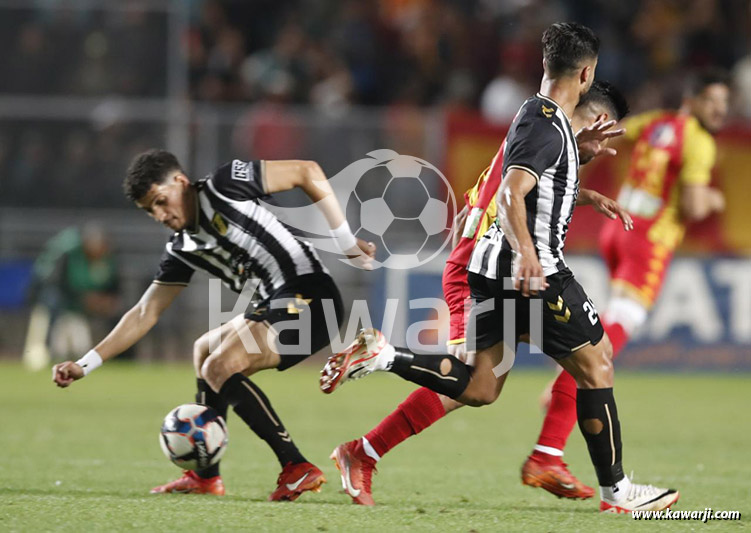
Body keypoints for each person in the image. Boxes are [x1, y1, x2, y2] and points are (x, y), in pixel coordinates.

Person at [320, 22, 679, 514]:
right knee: (594, 361)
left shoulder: (539, 121)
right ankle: (603, 484)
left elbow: (533, 186)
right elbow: (512, 192)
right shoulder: (547, 126)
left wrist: (584, 176)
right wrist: (530, 254)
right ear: (587, 76)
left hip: (487, 262)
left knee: (480, 384)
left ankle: (378, 393)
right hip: (504, 264)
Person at [52, 151, 375, 501]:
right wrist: (85, 364)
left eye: (161, 202)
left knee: (220, 365)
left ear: (180, 182)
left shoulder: (224, 185)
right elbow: (145, 312)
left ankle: (296, 466)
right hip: (277, 304)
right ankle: (206, 477)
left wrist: (344, 241)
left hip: (312, 297)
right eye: (150, 210)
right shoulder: (182, 247)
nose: (160, 215)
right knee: (204, 350)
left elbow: (306, 170)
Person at [521, 68, 729, 498]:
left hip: (618, 231)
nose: (721, 112)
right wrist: (713, 198)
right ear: (692, 101)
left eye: (725, 105)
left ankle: (564, 395)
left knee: (603, 330)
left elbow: (611, 130)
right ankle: (552, 439)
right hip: (648, 242)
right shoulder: (700, 142)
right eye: (713, 102)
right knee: (604, 345)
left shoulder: (656, 123)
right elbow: (691, 204)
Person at [24, 224, 121, 371]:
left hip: (80, 301)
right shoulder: (69, 252)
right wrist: (84, 298)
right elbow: (56, 281)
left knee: (117, 311)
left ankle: (116, 355)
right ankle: (45, 351)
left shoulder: (106, 258)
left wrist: (105, 299)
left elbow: (113, 286)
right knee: (52, 305)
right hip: (55, 292)